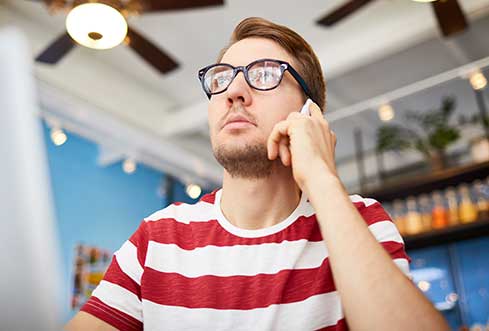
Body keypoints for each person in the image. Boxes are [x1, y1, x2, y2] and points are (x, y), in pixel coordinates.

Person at [65, 17, 449, 331]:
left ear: (309, 113)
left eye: (264, 74)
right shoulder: (158, 237)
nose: (234, 91)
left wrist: (321, 178)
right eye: (222, 78)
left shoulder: (361, 221)